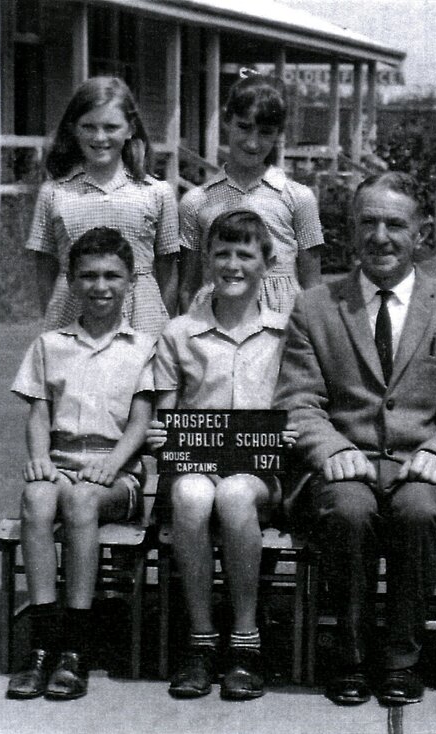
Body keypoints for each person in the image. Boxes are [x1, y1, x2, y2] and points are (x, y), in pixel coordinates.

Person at [274, 171, 436, 707]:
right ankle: (348, 655)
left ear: (421, 234)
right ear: (350, 232)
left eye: (395, 224)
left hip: (423, 465)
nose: (381, 236)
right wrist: (330, 449)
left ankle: (401, 658)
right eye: (368, 223)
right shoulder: (315, 306)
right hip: (345, 466)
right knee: (348, 511)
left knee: (420, 510)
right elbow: (297, 400)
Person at [6, 227, 155, 701]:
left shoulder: (143, 347)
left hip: (117, 476)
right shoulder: (51, 345)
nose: (100, 286)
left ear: (131, 281)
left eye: (112, 275)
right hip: (63, 463)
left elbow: (141, 419)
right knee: (37, 496)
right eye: (88, 276)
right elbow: (38, 413)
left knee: (82, 499)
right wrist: (38, 461)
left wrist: (113, 463)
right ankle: (43, 642)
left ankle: (76, 644)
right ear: (71, 280)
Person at [148, 207, 290, 701]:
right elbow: (165, 411)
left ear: (267, 263)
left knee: (233, 495)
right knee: (189, 494)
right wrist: (159, 435)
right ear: (207, 259)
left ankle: (246, 639)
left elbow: (297, 406)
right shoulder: (179, 333)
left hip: (258, 472)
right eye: (222, 253)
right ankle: (201, 639)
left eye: (245, 254)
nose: (233, 264)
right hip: (195, 464)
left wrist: (288, 432)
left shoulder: (284, 333)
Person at [26, 76, 179, 338]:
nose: (99, 137)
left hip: (142, 319)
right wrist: (56, 320)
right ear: (74, 128)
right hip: (73, 314)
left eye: (111, 127)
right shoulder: (54, 193)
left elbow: (168, 271)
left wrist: (160, 323)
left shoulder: (157, 193)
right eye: (89, 126)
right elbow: (45, 271)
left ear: (130, 128)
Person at [178, 72, 323, 314]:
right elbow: (188, 289)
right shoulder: (196, 201)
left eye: (265, 132)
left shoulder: (299, 198)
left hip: (282, 322)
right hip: (216, 321)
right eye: (244, 127)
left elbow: (313, 287)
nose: (253, 143)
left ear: (278, 133)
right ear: (227, 121)